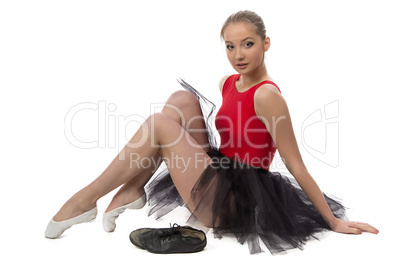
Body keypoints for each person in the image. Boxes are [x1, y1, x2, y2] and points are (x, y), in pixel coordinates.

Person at [45, 10, 378, 254]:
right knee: (181, 99)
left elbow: (296, 164)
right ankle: (133, 186)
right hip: (220, 173)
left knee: (160, 125)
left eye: (247, 44)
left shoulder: (267, 95)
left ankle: (84, 200)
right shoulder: (228, 83)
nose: (239, 55)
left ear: (266, 43)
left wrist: (332, 222)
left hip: (236, 200)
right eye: (230, 47)